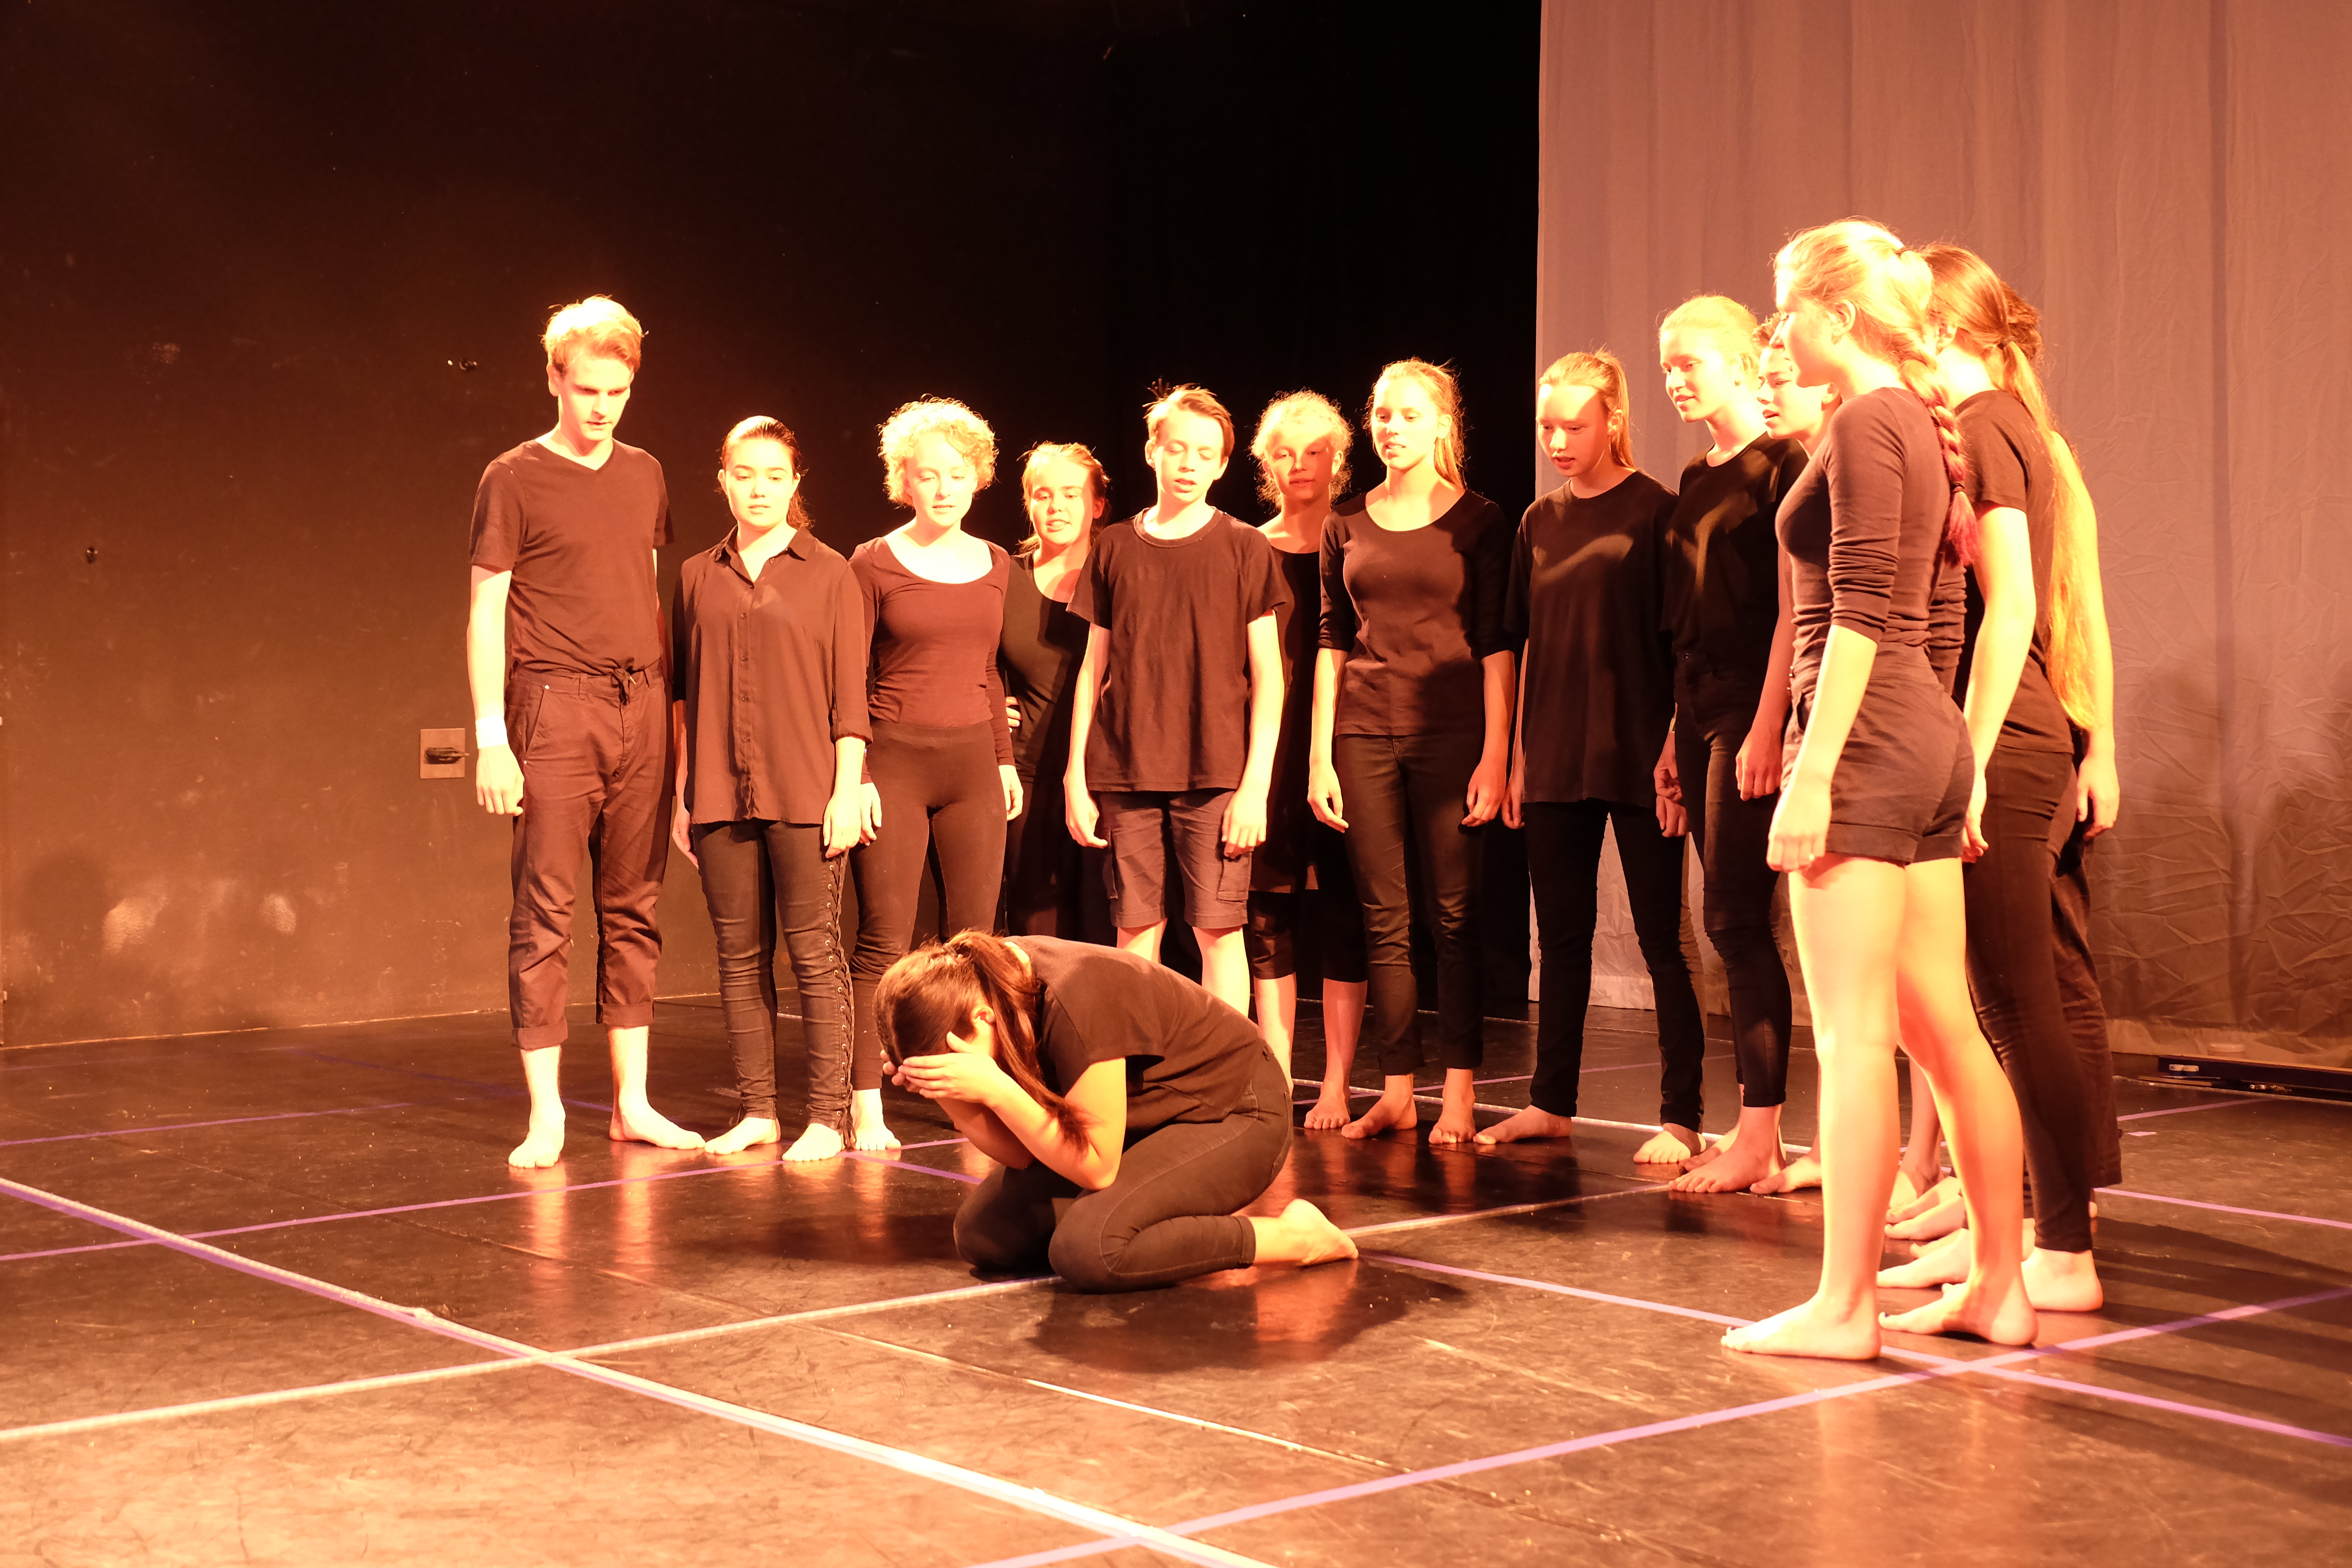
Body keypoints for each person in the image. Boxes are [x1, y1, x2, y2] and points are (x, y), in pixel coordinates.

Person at [1724, 218, 2034, 1359]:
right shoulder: (1921, 421)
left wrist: (1813, 771)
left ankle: (1845, 1306)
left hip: (1864, 740)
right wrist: (1945, 758)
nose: (1780, 332)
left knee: (1857, 1037)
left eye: (1788, 309)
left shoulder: (1866, 419)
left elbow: (1858, 611)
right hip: (1921, 735)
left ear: (1837, 314)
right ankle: (1997, 1288)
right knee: (1941, 1027)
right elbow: (1940, 616)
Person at [1873, 245, 2120, 1314]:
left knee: (2019, 1004)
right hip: (2012, 740)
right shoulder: (1999, 426)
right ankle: (2012, 1228)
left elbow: (2016, 605)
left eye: (1906, 327)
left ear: (1946, 331)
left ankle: (2061, 1247)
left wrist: (1968, 760)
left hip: (2007, 745)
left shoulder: (1985, 428)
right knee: (2010, 1000)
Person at [466, 294, 702, 1168]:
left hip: (640, 700)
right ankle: (547, 1111)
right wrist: (492, 735)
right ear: (554, 380)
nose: (602, 407)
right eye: (587, 389)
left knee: (634, 906)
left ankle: (632, 1102)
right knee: (546, 910)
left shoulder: (645, 472)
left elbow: (644, 586)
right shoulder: (513, 476)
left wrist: (670, 723)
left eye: (618, 391)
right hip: (553, 705)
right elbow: (486, 609)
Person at [1480, 350, 1702, 1149]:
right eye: (1548, 427)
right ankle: (1550, 1101)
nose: (1558, 442)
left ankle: (1682, 1116)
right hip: (1555, 754)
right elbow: (1524, 642)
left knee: (1660, 937)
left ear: (1613, 421)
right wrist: (1518, 759)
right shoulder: (1538, 521)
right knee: (1562, 937)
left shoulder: (1659, 510)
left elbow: (1684, 642)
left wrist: (1675, 746)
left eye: (1574, 427)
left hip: (1641, 753)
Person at [878, 931, 1358, 1292]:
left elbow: (1096, 1166)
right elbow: (1023, 1155)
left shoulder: (1077, 994)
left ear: (981, 1017)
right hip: (1143, 1121)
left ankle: (1295, 1237)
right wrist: (945, 1092)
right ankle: (1134, 1220)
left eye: (953, 1062)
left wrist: (997, 1089)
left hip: (1235, 1110)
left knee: (1091, 1249)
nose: (958, 1072)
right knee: (985, 1235)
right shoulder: (984, 987)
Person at [1308, 359, 1514, 1146]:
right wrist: (1320, 755)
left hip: (1452, 732)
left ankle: (1458, 1091)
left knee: (1454, 916)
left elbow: (1496, 645)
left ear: (1442, 425)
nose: (1392, 427)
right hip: (1363, 730)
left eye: (1408, 414)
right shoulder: (1344, 522)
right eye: (1383, 414)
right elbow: (1331, 639)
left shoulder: (1479, 521)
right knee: (1382, 917)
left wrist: (1496, 753)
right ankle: (1397, 1089)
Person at [669, 416, 874, 1161]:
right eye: (745, 474)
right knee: (738, 956)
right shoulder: (696, 575)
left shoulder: (831, 571)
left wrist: (847, 789)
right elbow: (683, 694)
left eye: (775, 476)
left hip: (807, 789)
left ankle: (827, 1116)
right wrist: (682, 792)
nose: (760, 489)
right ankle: (758, 1110)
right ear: (723, 479)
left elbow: (851, 698)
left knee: (814, 953)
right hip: (719, 791)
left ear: (795, 484)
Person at [1648, 295, 1812, 1185]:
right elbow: (1687, 617)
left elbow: (1791, 608)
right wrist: (1674, 735)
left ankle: (1760, 1133)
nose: (1675, 379)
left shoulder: (1783, 462)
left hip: (1754, 706)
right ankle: (1757, 1130)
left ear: (1743, 363)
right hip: (1700, 706)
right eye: (1667, 366)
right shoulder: (1692, 476)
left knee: (1738, 920)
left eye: (1691, 363)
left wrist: (1767, 724)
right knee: (1727, 923)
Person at [1063, 385, 1287, 1015]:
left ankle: (1225, 1070)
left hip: (1216, 774)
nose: (1189, 463)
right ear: (1152, 452)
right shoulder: (1114, 547)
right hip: (1126, 771)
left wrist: (1255, 786)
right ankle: (1135, 1069)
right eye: (1178, 448)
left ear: (1222, 465)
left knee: (1219, 932)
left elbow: (1269, 677)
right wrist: (1076, 775)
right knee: (1135, 934)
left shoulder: (1245, 546)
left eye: (1205, 454)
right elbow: (1093, 668)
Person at [847, 399, 1021, 1153]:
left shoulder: (996, 564)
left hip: (972, 764)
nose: (944, 488)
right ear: (904, 482)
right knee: (884, 937)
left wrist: (1003, 760)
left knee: (976, 944)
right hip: (893, 760)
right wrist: (854, 773)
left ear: (978, 477)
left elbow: (988, 671)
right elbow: (849, 676)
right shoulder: (871, 561)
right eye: (928, 475)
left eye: (957, 473)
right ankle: (866, 1103)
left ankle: (978, 1095)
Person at [1247, 392, 1370, 1114]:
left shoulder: (1359, 535)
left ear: (1338, 459)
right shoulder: (1247, 547)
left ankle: (1338, 1082)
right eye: (1285, 453)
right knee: (1267, 915)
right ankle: (1275, 1079)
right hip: (1268, 746)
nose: (1300, 465)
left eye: (1315, 452)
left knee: (1345, 912)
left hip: (1346, 741)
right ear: (1266, 463)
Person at [997, 442, 1114, 943]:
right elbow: (973, 655)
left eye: (1071, 494)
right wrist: (990, 706)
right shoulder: (1004, 576)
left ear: (1098, 505)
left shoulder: (1119, 575)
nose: (1056, 507)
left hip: (1107, 777)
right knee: (1035, 927)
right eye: (1043, 495)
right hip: (1028, 776)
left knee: (1102, 925)